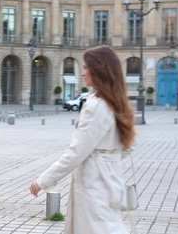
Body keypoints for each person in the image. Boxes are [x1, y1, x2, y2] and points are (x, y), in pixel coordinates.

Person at [29, 46, 136, 234]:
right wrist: (108, 158)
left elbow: (77, 152)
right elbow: (127, 147)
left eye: (87, 67)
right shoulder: (118, 102)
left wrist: (43, 180)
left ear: (99, 70)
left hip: (93, 183)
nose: (83, 73)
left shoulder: (96, 105)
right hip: (111, 181)